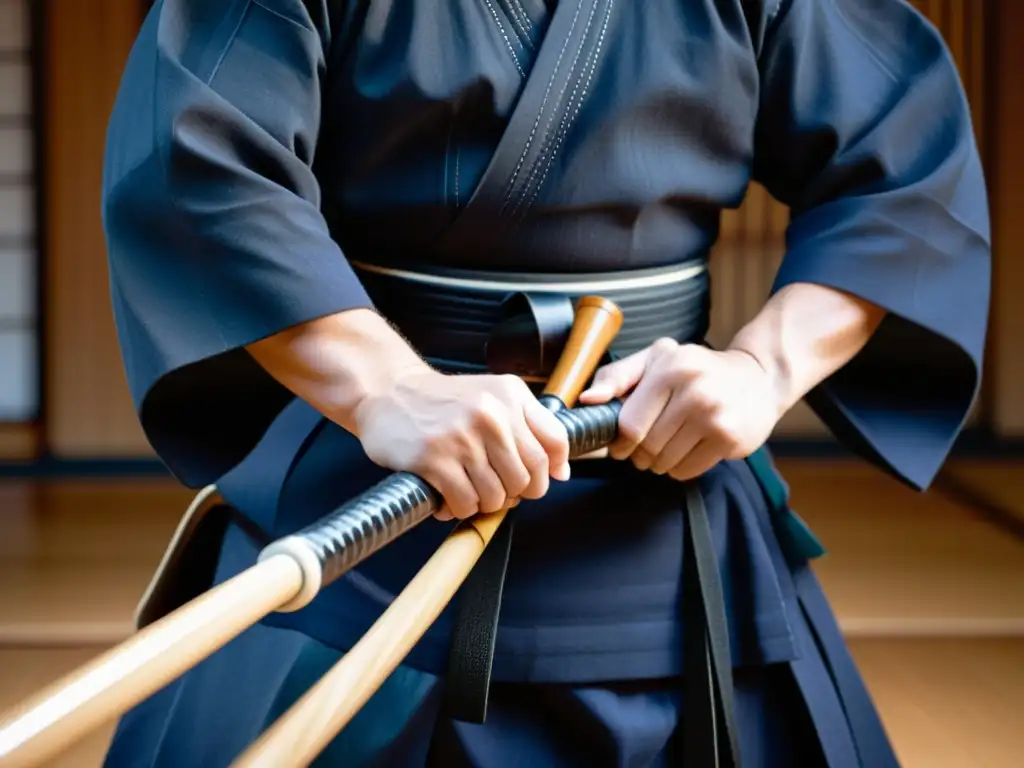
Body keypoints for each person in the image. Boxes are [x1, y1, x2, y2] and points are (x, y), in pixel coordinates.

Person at [99, 0, 990, 765]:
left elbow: (903, 167)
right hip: (379, 474)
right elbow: (198, 161)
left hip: (663, 472)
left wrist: (763, 369)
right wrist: (384, 390)